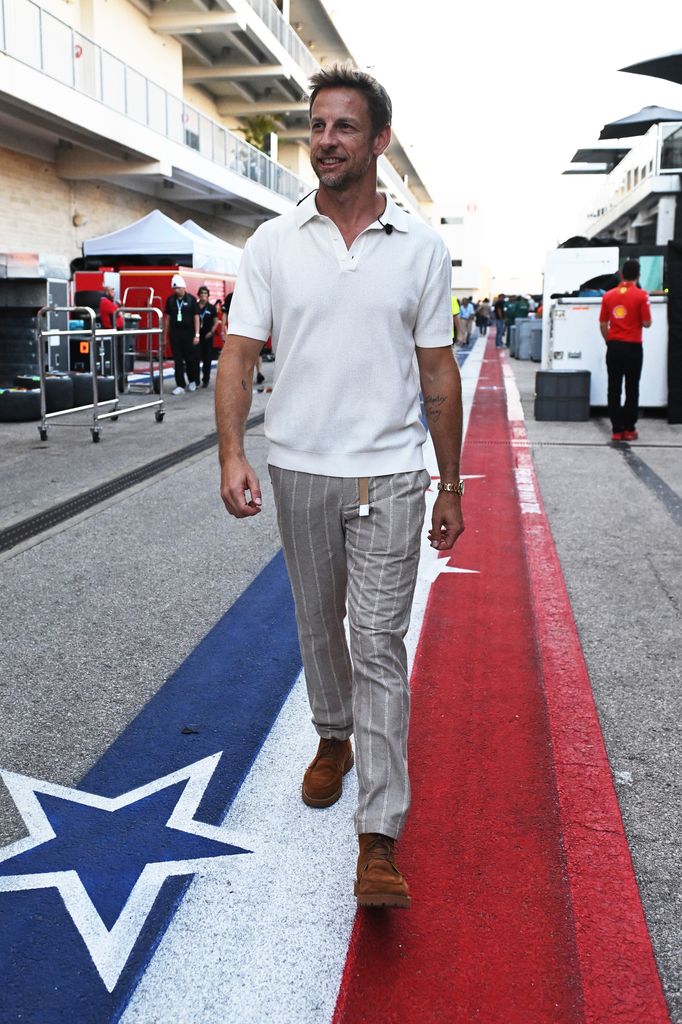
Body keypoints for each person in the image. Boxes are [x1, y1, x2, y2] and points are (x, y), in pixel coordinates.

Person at [215, 63, 464, 910]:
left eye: (343, 128)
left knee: (380, 645)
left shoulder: (422, 249)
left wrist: (451, 483)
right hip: (298, 468)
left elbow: (439, 374)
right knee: (318, 625)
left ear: (379, 141)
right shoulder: (273, 244)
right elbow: (239, 357)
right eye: (316, 127)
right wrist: (229, 454)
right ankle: (332, 737)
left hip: (391, 472)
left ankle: (378, 838)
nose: (324, 141)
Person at [599, 259, 652, 441]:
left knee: (613, 388)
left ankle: (616, 429)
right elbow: (647, 323)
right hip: (633, 347)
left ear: (621, 274)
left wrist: (609, 341)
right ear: (638, 275)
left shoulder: (608, 296)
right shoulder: (642, 295)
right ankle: (629, 428)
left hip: (613, 347)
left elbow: (603, 324)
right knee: (632, 387)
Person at [163, 275, 200, 395]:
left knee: (190, 359)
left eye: (178, 288)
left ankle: (193, 380)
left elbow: (196, 317)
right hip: (175, 333)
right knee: (177, 360)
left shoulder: (191, 300)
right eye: (174, 288)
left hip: (188, 333)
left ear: (183, 288)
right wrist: (165, 336)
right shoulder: (170, 300)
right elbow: (167, 318)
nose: (176, 290)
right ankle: (180, 384)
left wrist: (197, 334)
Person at [197, 285, 218, 388]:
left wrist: (211, 332)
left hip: (207, 336)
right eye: (201, 293)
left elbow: (216, 322)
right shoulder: (195, 306)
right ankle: (195, 379)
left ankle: (206, 379)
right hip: (197, 336)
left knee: (207, 359)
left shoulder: (211, 308)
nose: (203, 295)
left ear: (208, 295)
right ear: (199, 295)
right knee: (195, 358)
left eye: (205, 293)